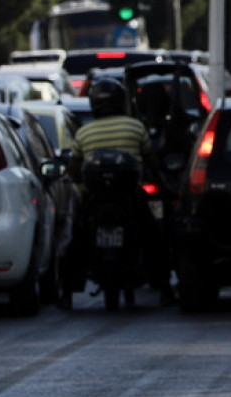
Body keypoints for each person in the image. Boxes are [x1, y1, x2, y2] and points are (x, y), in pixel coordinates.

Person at [61, 76, 170, 308]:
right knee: (152, 237)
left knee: (78, 242)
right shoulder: (135, 127)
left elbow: (73, 169)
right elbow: (151, 160)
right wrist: (160, 178)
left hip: (94, 200)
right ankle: (165, 287)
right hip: (130, 197)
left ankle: (67, 293)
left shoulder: (84, 133)